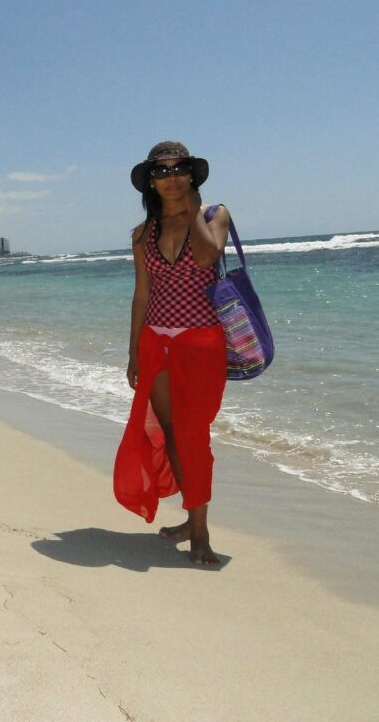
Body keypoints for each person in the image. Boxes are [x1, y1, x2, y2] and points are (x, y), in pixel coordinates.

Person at [114, 141, 231, 565]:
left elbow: (206, 256)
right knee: (173, 436)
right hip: (154, 343)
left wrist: (195, 207)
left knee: (194, 437)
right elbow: (142, 293)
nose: (171, 177)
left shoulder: (215, 216)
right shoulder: (143, 234)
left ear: (192, 175)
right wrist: (132, 352)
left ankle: (200, 533)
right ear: (150, 182)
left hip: (200, 344)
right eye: (161, 172)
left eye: (179, 168)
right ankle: (192, 522)